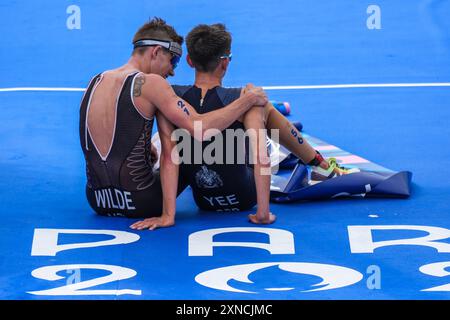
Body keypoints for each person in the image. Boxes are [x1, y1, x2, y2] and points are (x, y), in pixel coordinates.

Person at [130, 23, 358, 230]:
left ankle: (313, 158)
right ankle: (320, 163)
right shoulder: (242, 96)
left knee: (178, 142)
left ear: (189, 61)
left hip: (203, 200)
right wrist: (263, 213)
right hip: (243, 197)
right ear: (225, 62)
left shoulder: (171, 94)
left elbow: (169, 156)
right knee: (260, 105)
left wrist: (168, 214)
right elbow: (261, 156)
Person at [79, 18, 268, 220]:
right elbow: (200, 129)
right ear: (156, 52)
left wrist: (143, 148)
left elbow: (103, 133)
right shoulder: (152, 83)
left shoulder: (96, 80)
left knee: (163, 143)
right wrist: (247, 100)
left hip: (97, 200)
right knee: (188, 149)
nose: (172, 70)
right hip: (142, 202)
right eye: (173, 60)